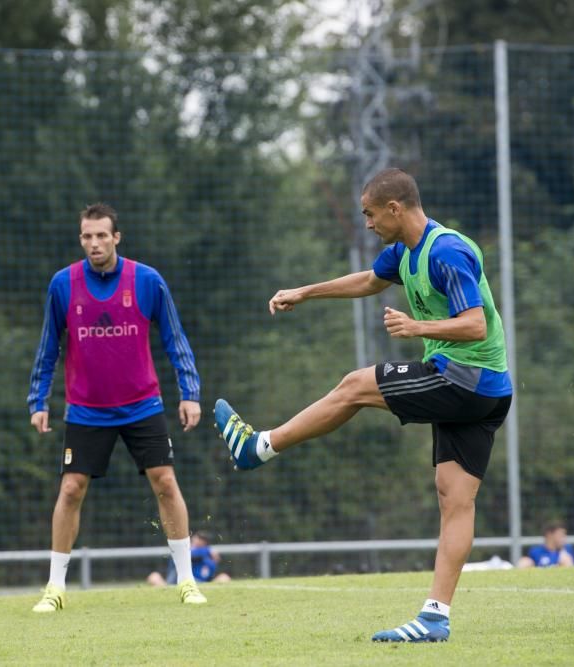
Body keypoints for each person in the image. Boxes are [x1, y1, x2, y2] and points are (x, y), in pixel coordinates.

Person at [215, 168, 512, 643]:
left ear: (395, 209)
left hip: (466, 380)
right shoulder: (405, 251)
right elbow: (370, 280)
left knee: (355, 385)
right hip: (487, 392)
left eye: (371, 214)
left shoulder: (448, 251)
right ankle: (435, 617)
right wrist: (305, 292)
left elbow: (474, 325)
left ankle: (259, 447)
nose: (368, 224)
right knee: (455, 500)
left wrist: (417, 329)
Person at [27, 202, 205, 612]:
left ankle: (188, 580)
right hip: (86, 408)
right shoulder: (63, 284)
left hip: (142, 404)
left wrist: (189, 392)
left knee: (164, 481)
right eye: (87, 236)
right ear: (81, 239)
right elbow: (47, 348)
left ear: (116, 237)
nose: (94, 243)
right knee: (71, 488)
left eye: (101, 235)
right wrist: (39, 400)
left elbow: (175, 339)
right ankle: (55, 588)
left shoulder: (146, 280)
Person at [147, 531, 232, 587]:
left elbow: (208, 576)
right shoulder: (182, 551)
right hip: (175, 585)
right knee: (154, 576)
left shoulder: (208, 560)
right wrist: (208, 550)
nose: (199, 541)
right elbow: (191, 554)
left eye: (202, 540)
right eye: (197, 538)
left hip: (199, 586)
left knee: (224, 577)